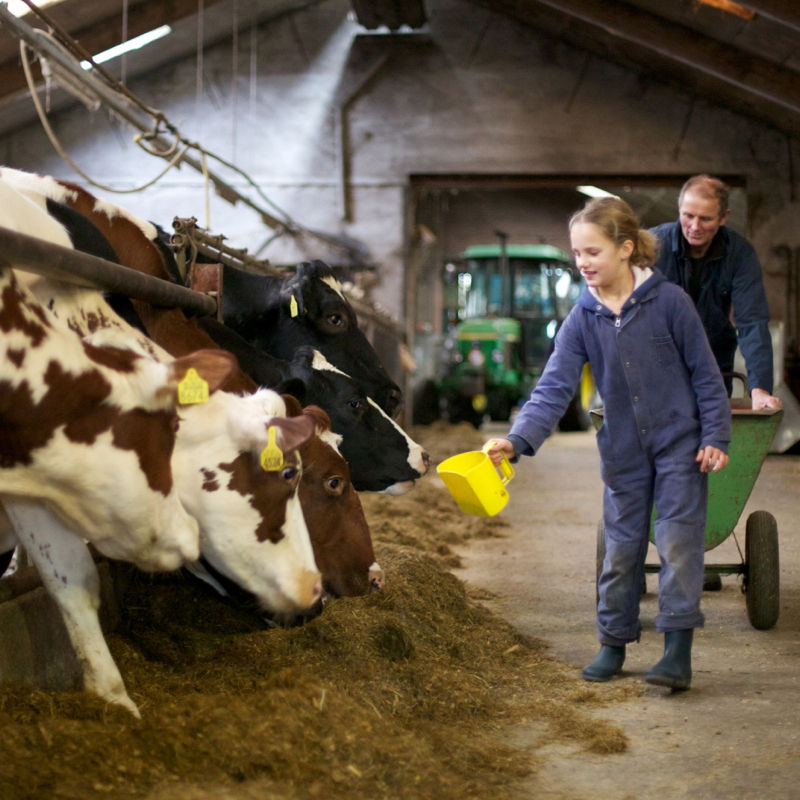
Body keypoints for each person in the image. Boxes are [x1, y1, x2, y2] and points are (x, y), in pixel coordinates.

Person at [486, 197, 731, 690]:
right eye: (577, 253)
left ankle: (677, 654)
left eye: (592, 252)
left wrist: (715, 436)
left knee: (679, 546)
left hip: (681, 447)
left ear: (625, 249)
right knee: (621, 552)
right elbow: (554, 385)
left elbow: (707, 376)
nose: (583, 263)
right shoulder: (584, 315)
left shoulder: (669, 303)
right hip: (622, 451)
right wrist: (517, 440)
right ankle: (613, 643)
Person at [651, 175, 782, 410]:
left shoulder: (740, 254)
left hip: (714, 363)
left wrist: (759, 390)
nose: (695, 226)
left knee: (712, 437)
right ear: (679, 209)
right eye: (688, 215)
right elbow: (625, 311)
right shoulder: (652, 246)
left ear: (724, 217)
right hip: (658, 362)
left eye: (706, 218)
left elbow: (752, 322)